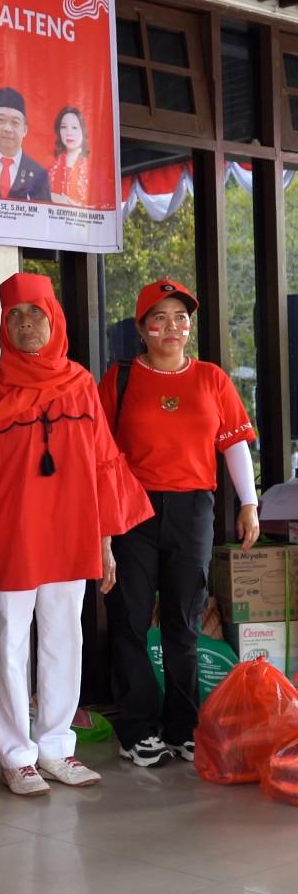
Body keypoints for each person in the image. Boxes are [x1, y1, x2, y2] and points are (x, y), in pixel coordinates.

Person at [0, 273, 151, 796]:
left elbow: (102, 464)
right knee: (7, 646)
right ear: (4, 325)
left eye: (35, 312)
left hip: (70, 535)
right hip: (7, 541)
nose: (26, 323)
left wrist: (105, 543)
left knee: (65, 641)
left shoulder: (81, 384)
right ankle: (17, 757)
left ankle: (57, 747)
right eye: (15, 315)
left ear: (54, 318)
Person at [98, 279, 260, 767]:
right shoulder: (120, 378)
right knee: (129, 618)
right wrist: (101, 520)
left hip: (193, 509)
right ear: (141, 328)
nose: (172, 327)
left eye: (181, 318)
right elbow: (98, 452)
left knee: (184, 621)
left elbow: (234, 443)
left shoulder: (211, 378)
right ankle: (137, 729)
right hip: (133, 508)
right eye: (159, 318)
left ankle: (183, 727)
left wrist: (249, 503)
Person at [48, 106, 91, 206]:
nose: (69, 133)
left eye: (74, 127)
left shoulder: (92, 166)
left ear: (83, 130)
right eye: (63, 127)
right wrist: (51, 196)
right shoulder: (52, 165)